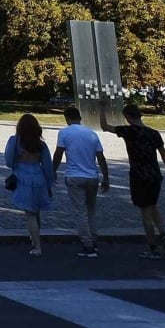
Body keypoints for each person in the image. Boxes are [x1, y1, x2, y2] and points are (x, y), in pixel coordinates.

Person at [101, 102, 165, 258]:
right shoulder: (154, 133)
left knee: (145, 214)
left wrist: (102, 108)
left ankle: (152, 248)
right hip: (154, 175)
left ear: (127, 117)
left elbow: (104, 126)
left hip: (139, 175)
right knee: (154, 207)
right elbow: (164, 156)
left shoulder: (128, 131)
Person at [51, 106, 111, 257]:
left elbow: (58, 154)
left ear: (66, 118)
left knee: (80, 212)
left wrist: (52, 171)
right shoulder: (91, 134)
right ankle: (94, 239)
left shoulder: (64, 133)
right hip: (92, 176)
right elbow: (101, 157)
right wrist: (106, 177)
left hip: (74, 175)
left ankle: (87, 244)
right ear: (80, 117)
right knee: (91, 210)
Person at [4, 113, 54, 256]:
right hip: (39, 177)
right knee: (36, 212)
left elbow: (9, 161)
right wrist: (49, 184)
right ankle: (35, 239)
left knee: (30, 213)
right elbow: (48, 166)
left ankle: (37, 245)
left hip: (23, 177)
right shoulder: (41, 145)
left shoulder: (15, 141)